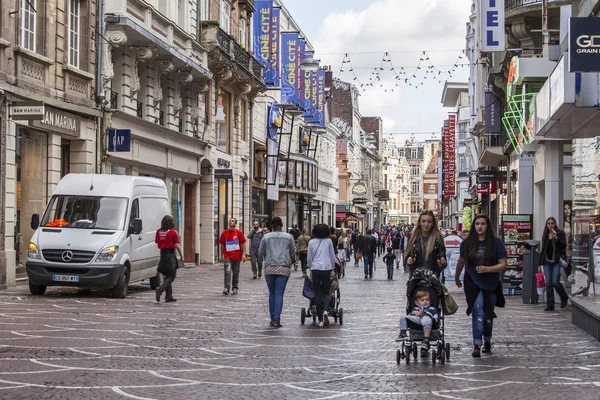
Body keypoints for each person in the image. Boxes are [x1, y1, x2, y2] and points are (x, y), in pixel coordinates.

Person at [455, 214, 507, 357]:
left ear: (487, 226)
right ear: (473, 226)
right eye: (477, 223)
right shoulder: (467, 243)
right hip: (472, 281)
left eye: (483, 224)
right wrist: (457, 276)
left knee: (487, 313)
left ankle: (487, 340)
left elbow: (503, 264)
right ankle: (477, 344)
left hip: (490, 282)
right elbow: (461, 261)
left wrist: (487, 269)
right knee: (477, 310)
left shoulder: (496, 243)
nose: (480, 226)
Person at [258, 217, 295, 328]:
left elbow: (260, 252)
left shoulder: (266, 237)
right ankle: (277, 320)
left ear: (272, 226)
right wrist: (292, 261)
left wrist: (261, 262)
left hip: (270, 267)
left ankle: (272, 317)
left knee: (272, 293)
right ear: (282, 225)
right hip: (284, 267)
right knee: (279, 293)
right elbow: (293, 252)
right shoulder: (289, 237)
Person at [307, 224, 336, 327]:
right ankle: (325, 311)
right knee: (326, 292)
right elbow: (332, 255)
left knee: (317, 293)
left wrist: (310, 267)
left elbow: (309, 257)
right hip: (326, 268)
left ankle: (319, 319)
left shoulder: (311, 242)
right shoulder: (328, 241)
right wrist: (332, 267)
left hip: (315, 269)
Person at [539, 217, 569, 311]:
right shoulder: (545, 235)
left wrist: (556, 237)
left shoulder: (560, 233)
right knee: (548, 283)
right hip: (547, 261)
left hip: (556, 261)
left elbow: (563, 245)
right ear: (546, 225)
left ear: (555, 224)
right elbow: (543, 249)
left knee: (555, 282)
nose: (550, 225)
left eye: (552, 223)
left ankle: (564, 296)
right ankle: (550, 304)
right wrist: (539, 264)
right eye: (548, 223)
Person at [405, 211, 447, 275]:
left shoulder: (438, 239)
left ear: (433, 223)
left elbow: (443, 261)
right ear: (419, 223)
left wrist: (442, 263)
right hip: (417, 278)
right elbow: (407, 260)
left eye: (429, 222)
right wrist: (409, 262)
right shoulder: (413, 238)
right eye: (423, 221)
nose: (426, 224)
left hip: (433, 278)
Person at [398, 290, 439, 355]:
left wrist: (435, 319)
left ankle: (426, 339)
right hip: (417, 320)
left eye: (427, 300)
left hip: (427, 318)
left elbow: (435, 314)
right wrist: (414, 313)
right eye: (422, 300)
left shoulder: (431, 309)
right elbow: (410, 314)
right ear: (417, 303)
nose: (425, 301)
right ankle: (403, 333)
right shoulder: (416, 308)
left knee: (426, 321)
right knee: (403, 317)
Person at [155, 215, 183, 303]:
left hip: (162, 254)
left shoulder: (158, 231)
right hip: (170, 254)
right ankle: (161, 289)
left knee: (167, 275)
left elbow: (157, 243)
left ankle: (168, 296)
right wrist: (182, 256)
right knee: (172, 275)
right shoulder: (173, 232)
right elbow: (177, 245)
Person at [218, 218, 246, 295]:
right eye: (230, 220)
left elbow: (243, 243)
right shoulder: (224, 233)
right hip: (227, 256)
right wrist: (221, 255)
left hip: (237, 256)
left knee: (236, 273)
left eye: (232, 221)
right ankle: (226, 287)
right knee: (227, 271)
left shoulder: (239, 233)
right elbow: (222, 245)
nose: (231, 221)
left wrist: (243, 254)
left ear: (235, 224)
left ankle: (235, 287)